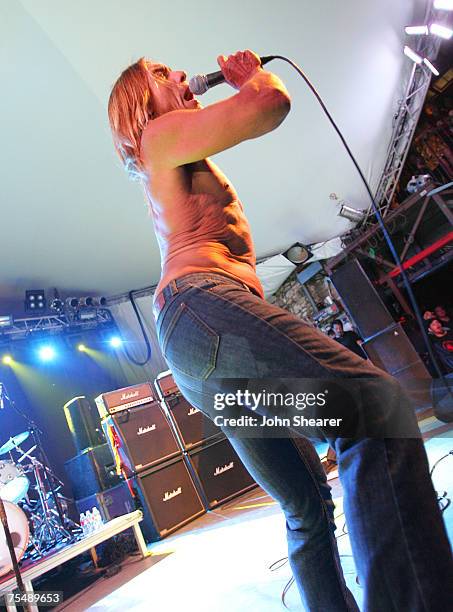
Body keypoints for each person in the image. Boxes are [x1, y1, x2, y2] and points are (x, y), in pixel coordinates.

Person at [108, 50, 453, 611]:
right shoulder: (156, 136)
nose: (180, 75)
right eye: (162, 75)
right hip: (204, 315)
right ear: (138, 102)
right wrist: (250, 78)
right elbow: (269, 104)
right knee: (373, 409)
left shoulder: (170, 153)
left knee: (307, 505)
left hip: (209, 362)